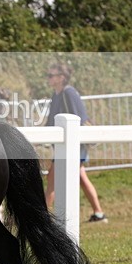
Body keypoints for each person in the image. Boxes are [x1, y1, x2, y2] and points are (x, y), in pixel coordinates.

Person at [43, 62, 108, 223]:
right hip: (63, 145)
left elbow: (80, 118)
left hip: (73, 145)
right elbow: (52, 119)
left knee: (53, 178)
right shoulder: (56, 94)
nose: (48, 78)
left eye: (51, 75)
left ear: (61, 78)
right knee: (79, 177)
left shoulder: (69, 93)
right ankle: (99, 213)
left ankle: (43, 217)